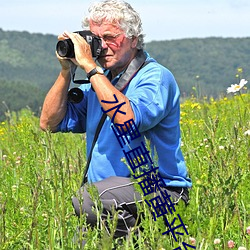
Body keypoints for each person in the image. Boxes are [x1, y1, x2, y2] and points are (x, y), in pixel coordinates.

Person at [40, 0, 192, 245]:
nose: (102, 47)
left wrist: (90, 67)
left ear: (133, 39)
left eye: (110, 37)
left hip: (160, 190)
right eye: (96, 39)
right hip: (111, 199)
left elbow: (127, 121)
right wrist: (66, 70)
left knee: (88, 199)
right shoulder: (99, 83)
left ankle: (144, 239)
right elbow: (49, 122)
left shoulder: (154, 77)